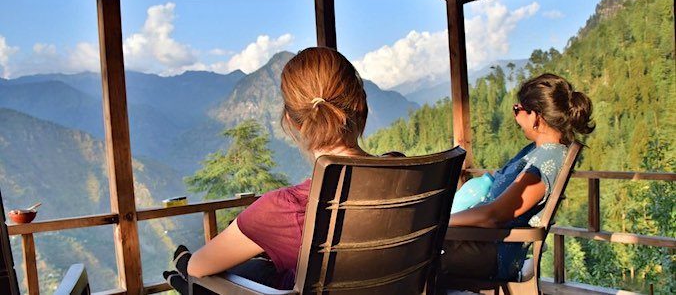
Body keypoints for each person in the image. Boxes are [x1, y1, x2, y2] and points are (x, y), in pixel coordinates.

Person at [163, 47, 389, 293]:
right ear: (361, 105)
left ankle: (181, 273)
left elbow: (199, 267)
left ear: (292, 122)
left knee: (198, 276)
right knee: (261, 270)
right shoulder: (410, 179)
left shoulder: (286, 207)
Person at [441, 73, 595, 281]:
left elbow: (493, 216)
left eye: (518, 109)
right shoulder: (540, 152)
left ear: (535, 116)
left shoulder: (544, 163)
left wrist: (440, 222)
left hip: (490, 252)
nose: (515, 116)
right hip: (481, 241)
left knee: (404, 255)